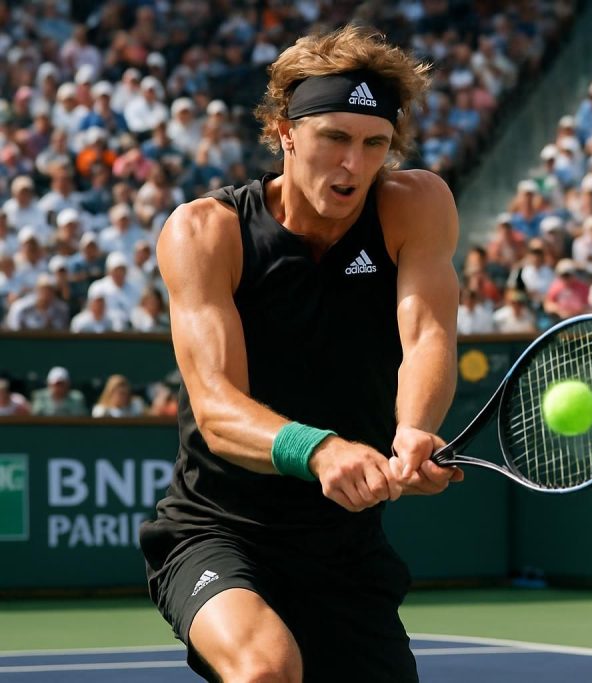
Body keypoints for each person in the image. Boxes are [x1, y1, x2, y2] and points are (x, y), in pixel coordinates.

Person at [138, 26, 462, 683]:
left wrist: (413, 428)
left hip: (345, 546)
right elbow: (218, 410)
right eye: (334, 138)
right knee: (265, 668)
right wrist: (319, 449)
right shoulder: (206, 231)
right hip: (218, 529)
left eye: (375, 144)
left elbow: (426, 335)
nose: (354, 165)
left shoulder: (414, 207)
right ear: (285, 132)